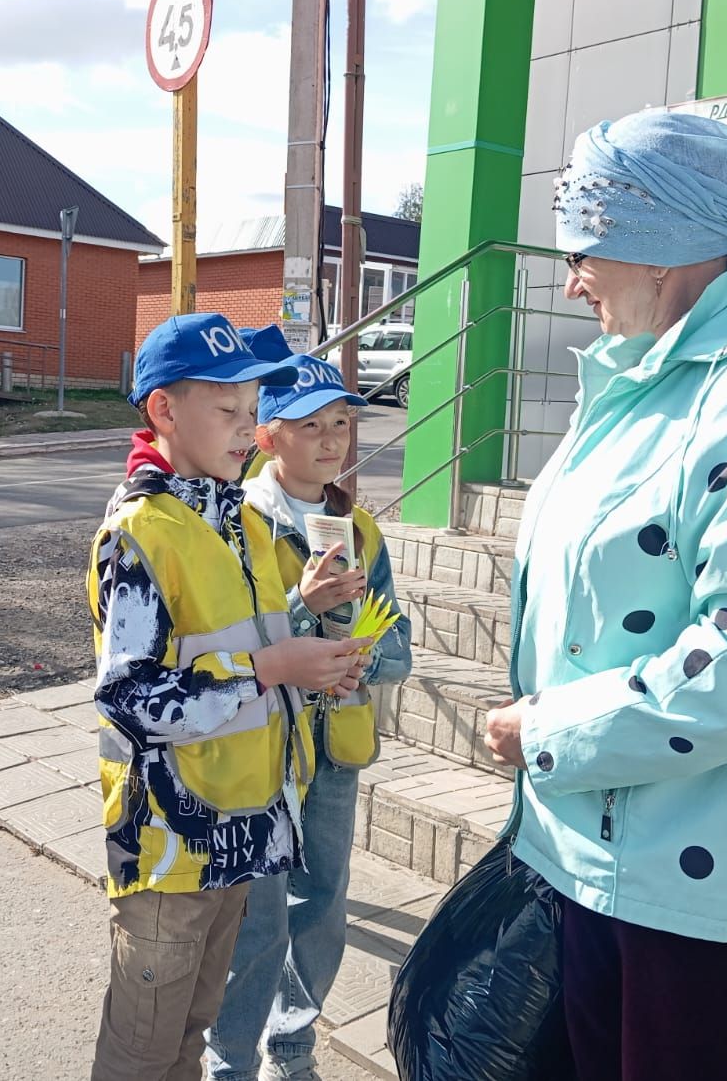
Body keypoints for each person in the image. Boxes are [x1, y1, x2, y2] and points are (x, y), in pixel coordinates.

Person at [482, 110, 727, 1080]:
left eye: (583, 251)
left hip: (697, 878)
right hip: (596, 850)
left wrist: (547, 733)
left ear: (658, 249)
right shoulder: (646, 376)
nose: (571, 281)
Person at [89, 313, 370, 1081]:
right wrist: (274, 667)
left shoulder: (238, 517)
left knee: (191, 1035)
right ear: (163, 411)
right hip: (169, 848)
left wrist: (314, 652)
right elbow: (129, 697)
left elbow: (246, 642)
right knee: (143, 1050)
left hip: (242, 831)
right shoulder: (141, 530)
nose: (247, 430)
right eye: (228, 412)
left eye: (253, 412)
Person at [206, 349, 412, 1081]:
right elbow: (230, 647)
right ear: (267, 437)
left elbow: (398, 645)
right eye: (311, 425)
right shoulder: (234, 524)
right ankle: (227, 1062)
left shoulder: (360, 530)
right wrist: (304, 608)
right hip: (260, 746)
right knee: (256, 915)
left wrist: (362, 658)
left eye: (344, 423)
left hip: (334, 743)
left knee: (322, 903)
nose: (332, 440)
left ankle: (291, 1049)